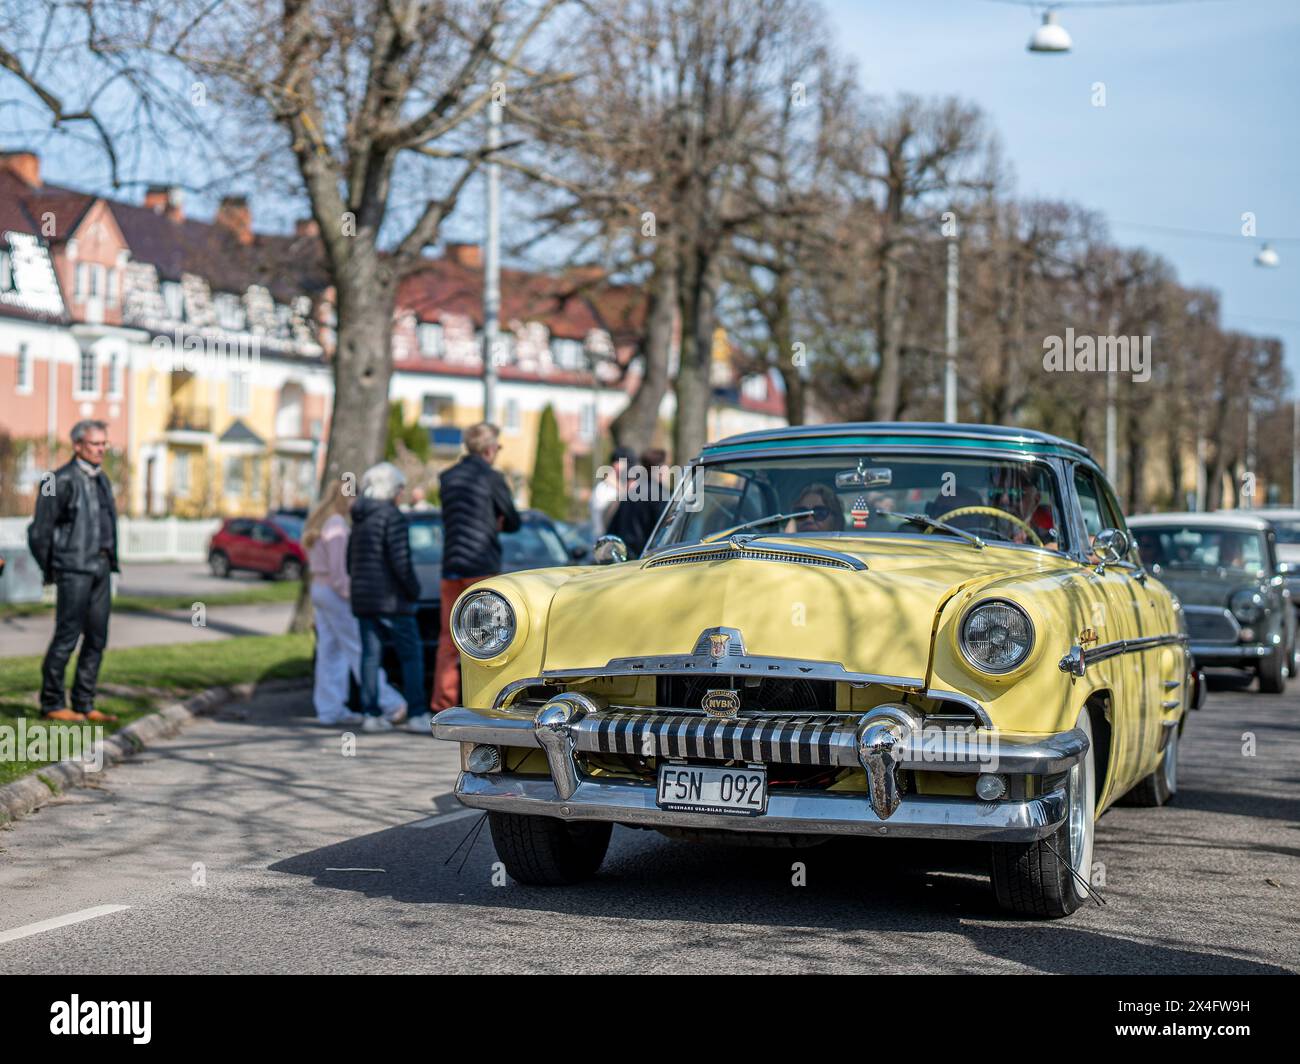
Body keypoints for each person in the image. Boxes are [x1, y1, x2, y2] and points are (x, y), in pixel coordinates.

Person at [27, 420, 120, 724]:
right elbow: (39, 531)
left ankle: (84, 702)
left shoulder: (102, 479)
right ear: (78, 445)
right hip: (73, 568)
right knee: (67, 637)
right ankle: (53, 702)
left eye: (104, 443)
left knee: (97, 637)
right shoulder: (58, 479)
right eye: (95, 444)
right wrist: (53, 568)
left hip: (101, 568)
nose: (101, 449)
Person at [303, 479, 408, 728]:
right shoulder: (337, 526)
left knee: (330, 652)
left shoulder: (318, 522)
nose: (357, 504)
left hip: (319, 589)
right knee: (358, 648)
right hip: (334, 591)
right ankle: (391, 703)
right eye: (354, 498)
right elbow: (339, 573)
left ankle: (330, 709)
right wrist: (354, 595)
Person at [432, 423, 521, 713]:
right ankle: (485, 704)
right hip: (482, 565)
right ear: (488, 449)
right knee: (488, 637)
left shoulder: (447, 477)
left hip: (451, 566)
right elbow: (513, 519)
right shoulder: (492, 477)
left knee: (448, 639)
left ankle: (442, 705)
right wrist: (498, 522)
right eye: (497, 447)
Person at [348, 462, 429, 734]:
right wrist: (414, 589)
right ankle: (417, 712)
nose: (402, 493)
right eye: (400, 488)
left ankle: (370, 713)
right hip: (392, 599)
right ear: (391, 489)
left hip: (364, 597)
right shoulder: (392, 516)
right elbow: (400, 561)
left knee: (371, 655)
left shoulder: (359, 517)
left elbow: (350, 561)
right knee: (411, 655)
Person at [604, 448, 669, 557]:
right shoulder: (660, 495)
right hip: (648, 557)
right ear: (660, 469)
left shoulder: (631, 493)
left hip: (626, 556)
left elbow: (613, 529)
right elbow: (665, 532)